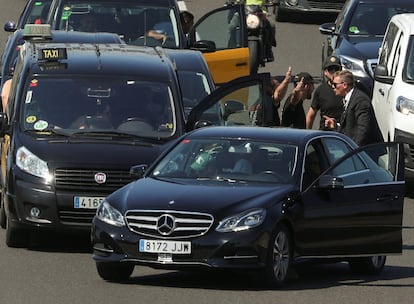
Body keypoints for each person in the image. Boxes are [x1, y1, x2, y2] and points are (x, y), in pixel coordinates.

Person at [323, 70, 383, 146]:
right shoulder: (349, 98)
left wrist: (354, 150)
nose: (332, 87)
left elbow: (363, 129)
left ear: (344, 85)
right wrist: (336, 126)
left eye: (335, 84)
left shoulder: (360, 101)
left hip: (367, 151)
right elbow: (350, 129)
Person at [306, 56, 344, 130]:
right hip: (325, 133)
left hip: (343, 134)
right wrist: (307, 134)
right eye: (330, 69)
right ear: (325, 72)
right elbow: (310, 115)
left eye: (336, 69)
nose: (334, 72)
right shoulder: (320, 90)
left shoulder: (346, 88)